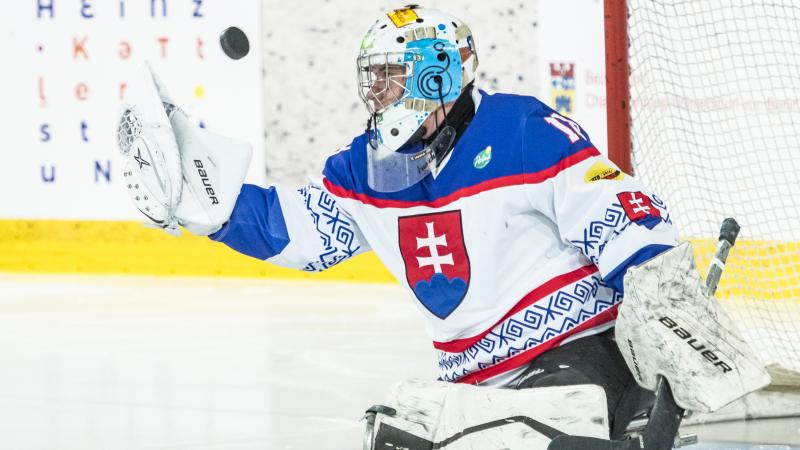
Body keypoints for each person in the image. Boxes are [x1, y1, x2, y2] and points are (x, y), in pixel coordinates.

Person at [120, 5, 679, 440]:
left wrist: (660, 299)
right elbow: (301, 231)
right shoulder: (371, 166)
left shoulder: (519, 129)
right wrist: (212, 210)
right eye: (374, 78)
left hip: (580, 356)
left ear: (436, 76)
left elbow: (614, 208)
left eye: (390, 77)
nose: (377, 92)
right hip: (476, 381)